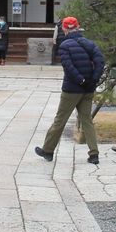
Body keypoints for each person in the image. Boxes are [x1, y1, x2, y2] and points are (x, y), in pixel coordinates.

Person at [35, 16, 105, 165]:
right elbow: (100, 61)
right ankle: (94, 154)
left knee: (60, 120)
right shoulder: (90, 44)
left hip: (72, 89)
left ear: (64, 29)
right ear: (78, 27)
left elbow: (68, 66)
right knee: (87, 120)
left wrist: (81, 80)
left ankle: (48, 150)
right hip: (88, 90)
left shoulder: (65, 45)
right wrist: (93, 80)